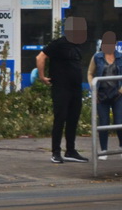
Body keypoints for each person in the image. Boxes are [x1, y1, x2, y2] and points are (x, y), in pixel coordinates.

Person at [37, 17, 89, 163]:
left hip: (75, 89)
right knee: (60, 119)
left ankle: (70, 151)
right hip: (61, 88)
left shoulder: (77, 45)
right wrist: (42, 76)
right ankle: (56, 152)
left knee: (73, 119)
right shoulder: (59, 43)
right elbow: (40, 57)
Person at [88, 30, 122, 152]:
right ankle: (103, 150)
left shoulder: (120, 57)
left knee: (119, 121)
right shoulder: (97, 57)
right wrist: (93, 88)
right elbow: (90, 73)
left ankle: (121, 147)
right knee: (104, 122)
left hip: (118, 95)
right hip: (101, 95)